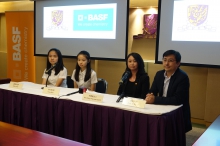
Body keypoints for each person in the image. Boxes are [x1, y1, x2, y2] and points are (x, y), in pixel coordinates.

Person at [145, 50, 192, 133]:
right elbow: (153, 90)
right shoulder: (159, 74)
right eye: (165, 60)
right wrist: (149, 96)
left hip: (176, 113)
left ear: (178, 63)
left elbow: (177, 100)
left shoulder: (182, 77)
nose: (166, 63)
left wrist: (155, 99)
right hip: (162, 108)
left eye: (170, 61)